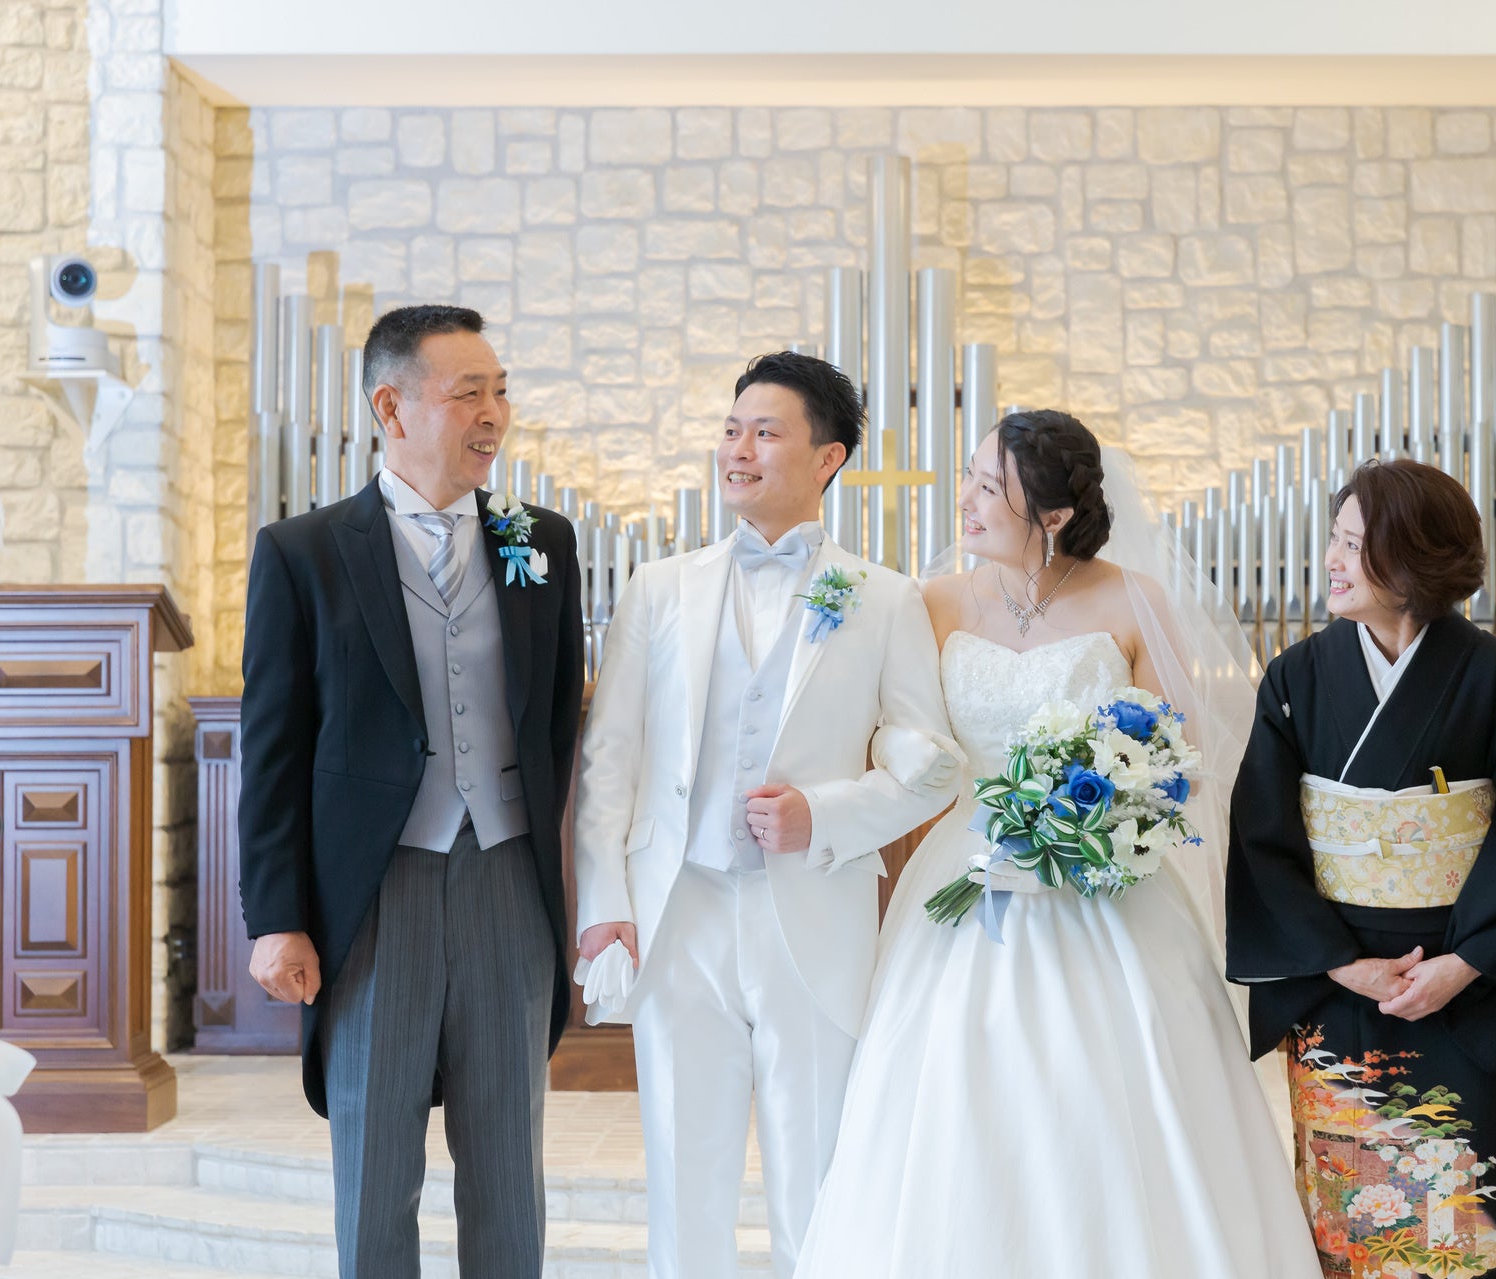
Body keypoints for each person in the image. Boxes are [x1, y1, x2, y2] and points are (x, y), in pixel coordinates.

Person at [794, 410, 1321, 1279]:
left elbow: (1177, 760)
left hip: (1107, 885)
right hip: (966, 878)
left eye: (988, 488)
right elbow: (899, 735)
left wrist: (1099, 821)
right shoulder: (933, 603)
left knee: (1113, 1093)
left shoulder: (1133, 599)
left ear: (1054, 513)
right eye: (969, 478)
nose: (965, 500)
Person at [572, 351, 963, 1279]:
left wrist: (824, 814)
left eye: (765, 432)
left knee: (816, 1174)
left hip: (815, 913)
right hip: (679, 908)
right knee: (683, 1172)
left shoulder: (885, 597)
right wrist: (603, 899)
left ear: (828, 458)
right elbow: (610, 758)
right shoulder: (658, 587)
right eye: (730, 430)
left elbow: (932, 766)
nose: (738, 450)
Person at [238, 305, 585, 1278]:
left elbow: (556, 725)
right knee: (377, 1164)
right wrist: (277, 917)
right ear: (390, 407)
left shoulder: (542, 542)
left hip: (508, 883)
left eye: (501, 391)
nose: (494, 413)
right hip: (375, 893)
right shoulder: (304, 552)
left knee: (508, 1170)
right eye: (468, 393)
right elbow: (271, 751)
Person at [1226, 458, 1496, 1278]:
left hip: (1459, 984)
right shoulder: (1295, 678)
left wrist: (1464, 964)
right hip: (1335, 981)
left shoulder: (1494, 675)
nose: (1332, 561)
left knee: (1462, 1219)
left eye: (1354, 544)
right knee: (1351, 1218)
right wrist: (1342, 963)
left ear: (1413, 557)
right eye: (1335, 539)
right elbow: (1263, 839)